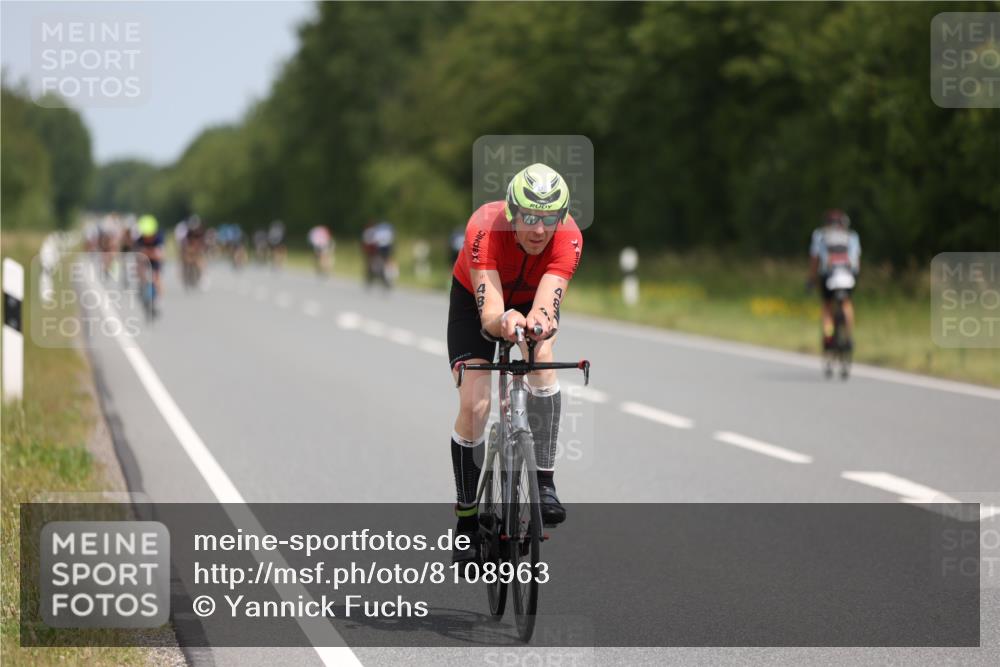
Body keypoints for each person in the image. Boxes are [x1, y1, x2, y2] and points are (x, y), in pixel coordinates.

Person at [447, 163, 583, 566]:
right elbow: (490, 311)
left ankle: (544, 483)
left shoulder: (569, 237)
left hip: (530, 298)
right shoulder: (485, 228)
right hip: (477, 304)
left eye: (548, 220)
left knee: (543, 360)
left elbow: (547, 303)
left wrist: (536, 324)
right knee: (474, 405)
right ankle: (467, 519)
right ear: (511, 213)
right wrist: (504, 321)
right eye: (529, 218)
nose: (539, 230)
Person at [808, 209, 861, 353]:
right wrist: (856, 276)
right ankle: (849, 336)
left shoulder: (820, 235)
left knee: (827, 306)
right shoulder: (852, 236)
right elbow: (856, 260)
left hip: (828, 275)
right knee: (846, 303)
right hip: (848, 276)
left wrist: (811, 279)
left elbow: (815, 259)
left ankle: (828, 335)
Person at [135, 214, 165, 317]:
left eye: (150, 235)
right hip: (144, 261)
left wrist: (149, 253)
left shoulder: (159, 237)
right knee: (140, 271)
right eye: (145, 235)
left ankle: (159, 301)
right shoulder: (139, 240)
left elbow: (160, 254)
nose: (148, 238)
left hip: (155, 261)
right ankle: (141, 288)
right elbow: (138, 255)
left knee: (157, 278)